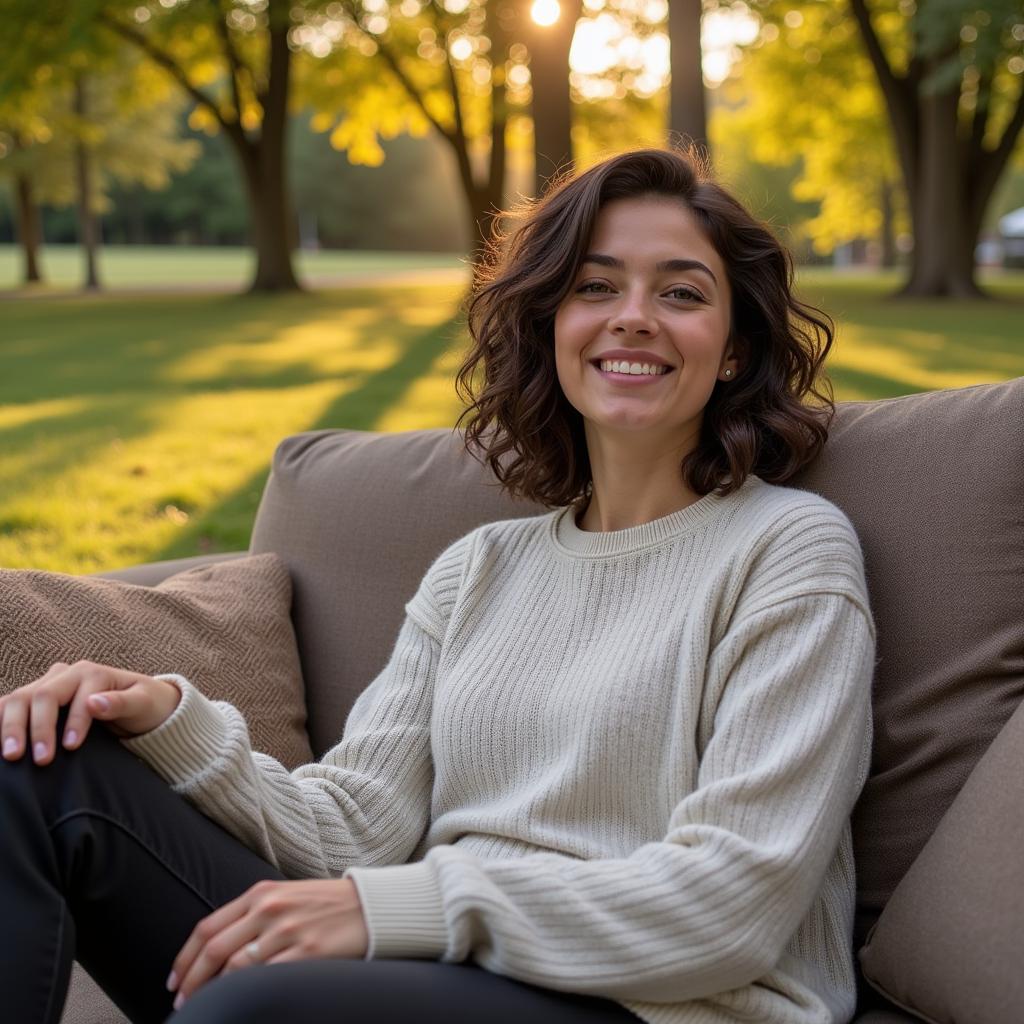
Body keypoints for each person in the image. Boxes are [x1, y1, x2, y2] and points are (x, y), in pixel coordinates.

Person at [0, 146, 875, 1024]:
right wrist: (164, 718)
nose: (634, 318)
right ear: (550, 324)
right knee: (39, 774)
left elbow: (735, 901)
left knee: (255, 1005)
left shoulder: (788, 550)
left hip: (655, 1005)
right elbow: (352, 830)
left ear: (733, 352)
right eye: (595, 286)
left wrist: (403, 911)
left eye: (682, 293)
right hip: (446, 970)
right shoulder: (480, 568)